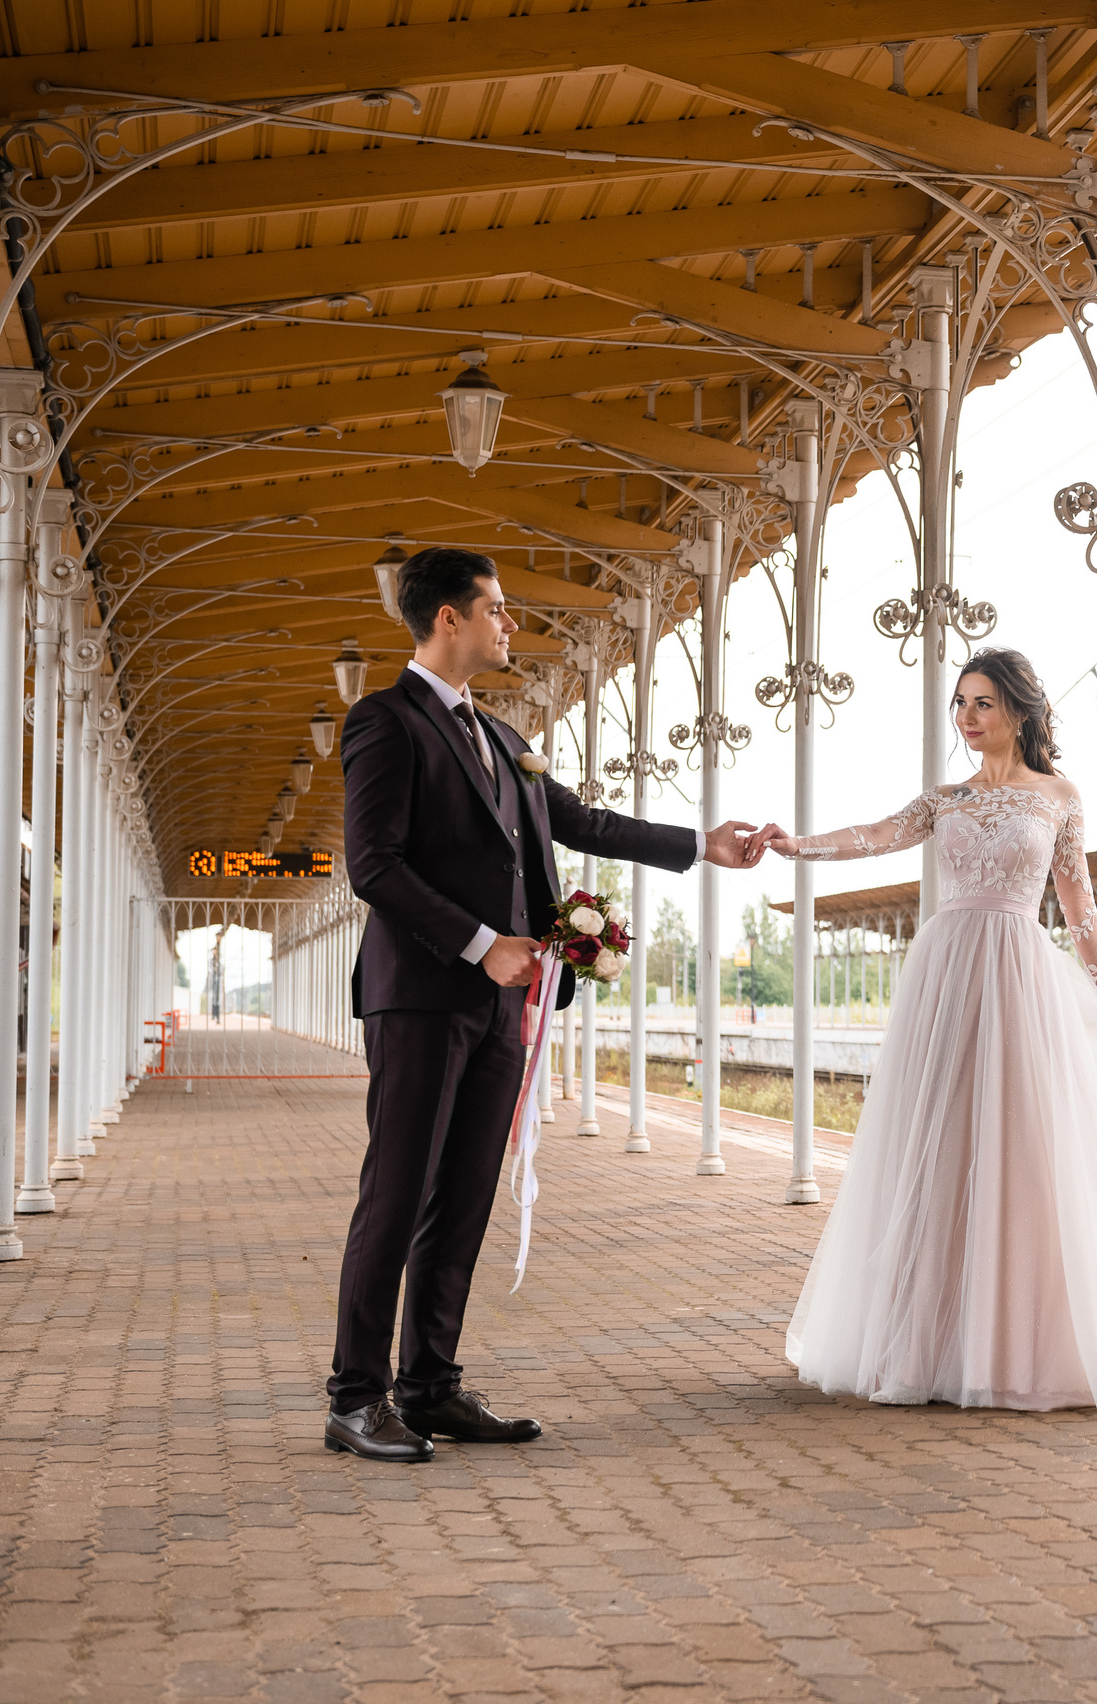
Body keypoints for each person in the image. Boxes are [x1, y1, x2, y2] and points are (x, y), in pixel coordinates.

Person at [326, 547, 765, 1463]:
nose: (509, 624)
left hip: (504, 1009)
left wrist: (703, 845)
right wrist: (484, 946)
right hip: (422, 999)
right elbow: (374, 866)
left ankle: (432, 1386)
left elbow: (583, 822)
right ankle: (357, 1398)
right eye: (495, 609)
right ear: (448, 619)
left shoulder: (500, 735)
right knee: (397, 1195)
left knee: (467, 1195)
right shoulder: (384, 722)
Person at [763, 649, 1097, 1417]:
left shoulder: (1059, 797)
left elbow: (1078, 906)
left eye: (982, 704)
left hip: (1018, 970)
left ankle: (1017, 1340)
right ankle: (926, 1340)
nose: (967, 719)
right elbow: (877, 834)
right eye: (960, 704)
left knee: (1022, 1144)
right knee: (937, 1140)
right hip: (946, 974)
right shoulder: (944, 799)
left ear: (1018, 710)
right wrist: (798, 846)